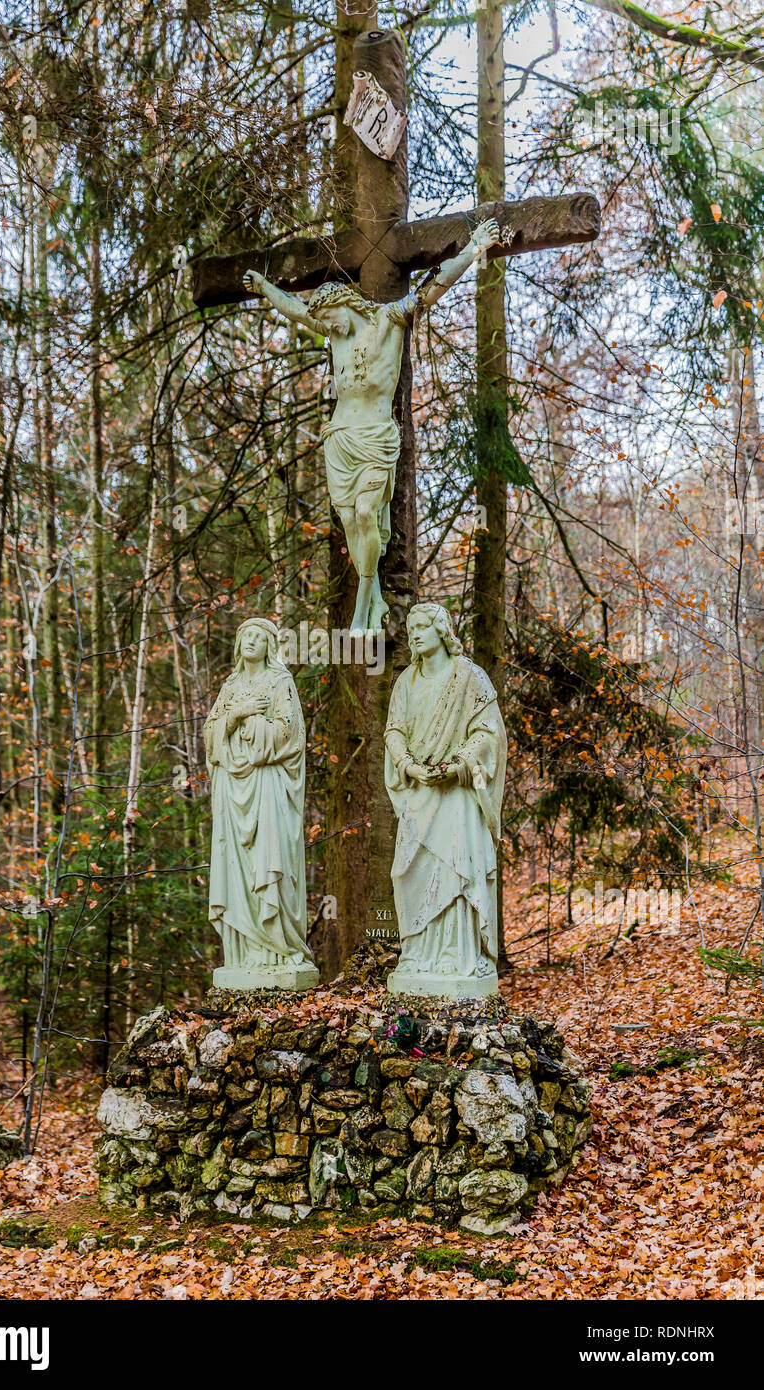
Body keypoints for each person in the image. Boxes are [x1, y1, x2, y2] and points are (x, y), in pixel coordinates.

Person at [244, 217, 507, 635]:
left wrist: (475, 247)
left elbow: (432, 289)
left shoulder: (388, 320)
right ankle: (374, 597)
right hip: (340, 441)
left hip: (375, 439)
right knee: (352, 525)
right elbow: (297, 310)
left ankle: (363, 609)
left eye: (329, 320)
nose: (327, 330)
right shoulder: (336, 333)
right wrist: (264, 288)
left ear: (344, 304)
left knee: (367, 512)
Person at [384, 602, 507, 998]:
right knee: (407, 871)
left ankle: (458, 954)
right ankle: (417, 952)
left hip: (456, 793)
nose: (415, 634)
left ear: (442, 630)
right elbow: (394, 730)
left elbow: (488, 733)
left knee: (456, 867)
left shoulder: (470, 677)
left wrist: (459, 764)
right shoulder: (406, 681)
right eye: (411, 628)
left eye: (423, 626)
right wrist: (408, 764)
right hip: (418, 789)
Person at [203, 618, 319, 990]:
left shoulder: (280, 682)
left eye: (258, 636)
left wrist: (250, 728)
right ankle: (242, 953)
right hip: (231, 792)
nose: (251, 641)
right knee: (236, 865)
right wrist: (238, 714)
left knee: (269, 862)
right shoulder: (231, 686)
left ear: (270, 645)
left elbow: (289, 735)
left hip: (268, 787)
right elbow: (210, 738)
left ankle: (279, 947)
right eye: (245, 636)